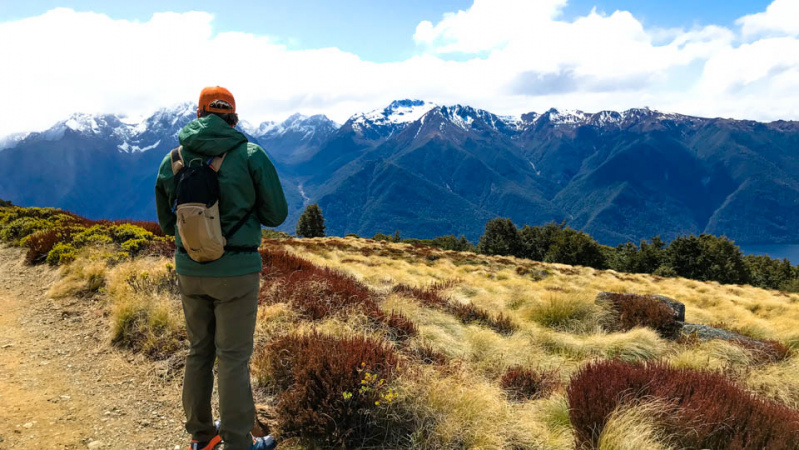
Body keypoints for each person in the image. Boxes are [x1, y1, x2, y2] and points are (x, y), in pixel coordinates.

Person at [155, 86, 288, 450]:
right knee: (232, 357)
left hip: (190, 269)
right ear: (233, 116)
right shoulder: (250, 155)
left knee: (199, 350)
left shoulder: (173, 160)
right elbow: (277, 214)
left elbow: (168, 225)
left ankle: (202, 436)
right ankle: (237, 441)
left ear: (199, 115)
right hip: (238, 273)